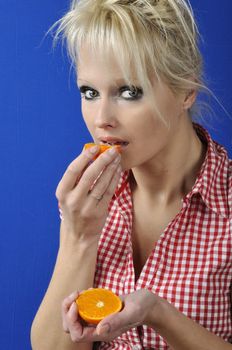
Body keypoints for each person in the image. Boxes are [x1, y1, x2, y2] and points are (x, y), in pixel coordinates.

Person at [31, 0, 232, 349]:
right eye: (90, 92)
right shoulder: (88, 200)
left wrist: (157, 313)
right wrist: (78, 237)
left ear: (187, 89)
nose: (101, 118)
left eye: (129, 91)